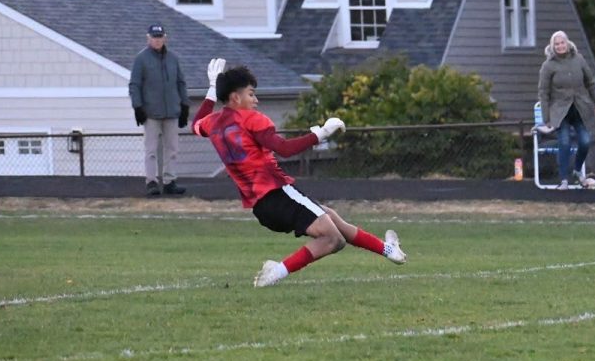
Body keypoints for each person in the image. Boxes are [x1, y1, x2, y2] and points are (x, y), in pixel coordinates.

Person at [192, 59, 407, 287]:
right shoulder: (251, 119)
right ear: (236, 97)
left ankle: (387, 249)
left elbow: (196, 124)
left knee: (331, 217)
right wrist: (321, 134)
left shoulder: (214, 123)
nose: (256, 100)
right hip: (279, 193)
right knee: (334, 239)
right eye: (251, 94)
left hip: (261, 208)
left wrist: (211, 91)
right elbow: (284, 149)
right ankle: (276, 272)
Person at [537, 30, 595, 189]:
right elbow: (543, 92)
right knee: (565, 142)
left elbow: (591, 82)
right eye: (557, 44)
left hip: (580, 108)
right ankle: (564, 180)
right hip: (560, 111)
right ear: (553, 46)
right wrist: (546, 117)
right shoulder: (548, 65)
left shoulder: (579, 59)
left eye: (562, 43)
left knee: (585, 141)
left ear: (567, 43)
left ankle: (577, 171)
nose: (560, 46)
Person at [128, 24, 188, 197]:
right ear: (148, 38)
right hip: (151, 112)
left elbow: (180, 83)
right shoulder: (141, 59)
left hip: (171, 112)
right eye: (154, 37)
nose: (157, 40)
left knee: (172, 149)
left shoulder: (173, 58)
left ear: (165, 38)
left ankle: (170, 181)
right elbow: (135, 85)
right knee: (151, 150)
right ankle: (151, 181)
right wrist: (137, 107)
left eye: (160, 36)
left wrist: (184, 105)